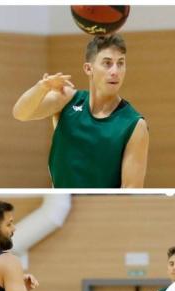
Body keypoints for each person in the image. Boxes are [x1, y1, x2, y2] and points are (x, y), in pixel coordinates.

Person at [12, 34, 148, 188]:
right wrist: (42, 87)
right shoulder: (67, 99)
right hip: (63, 208)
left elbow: (130, 192)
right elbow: (20, 113)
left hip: (102, 210)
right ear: (88, 68)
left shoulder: (135, 124)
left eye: (120, 63)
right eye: (107, 63)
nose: (115, 71)